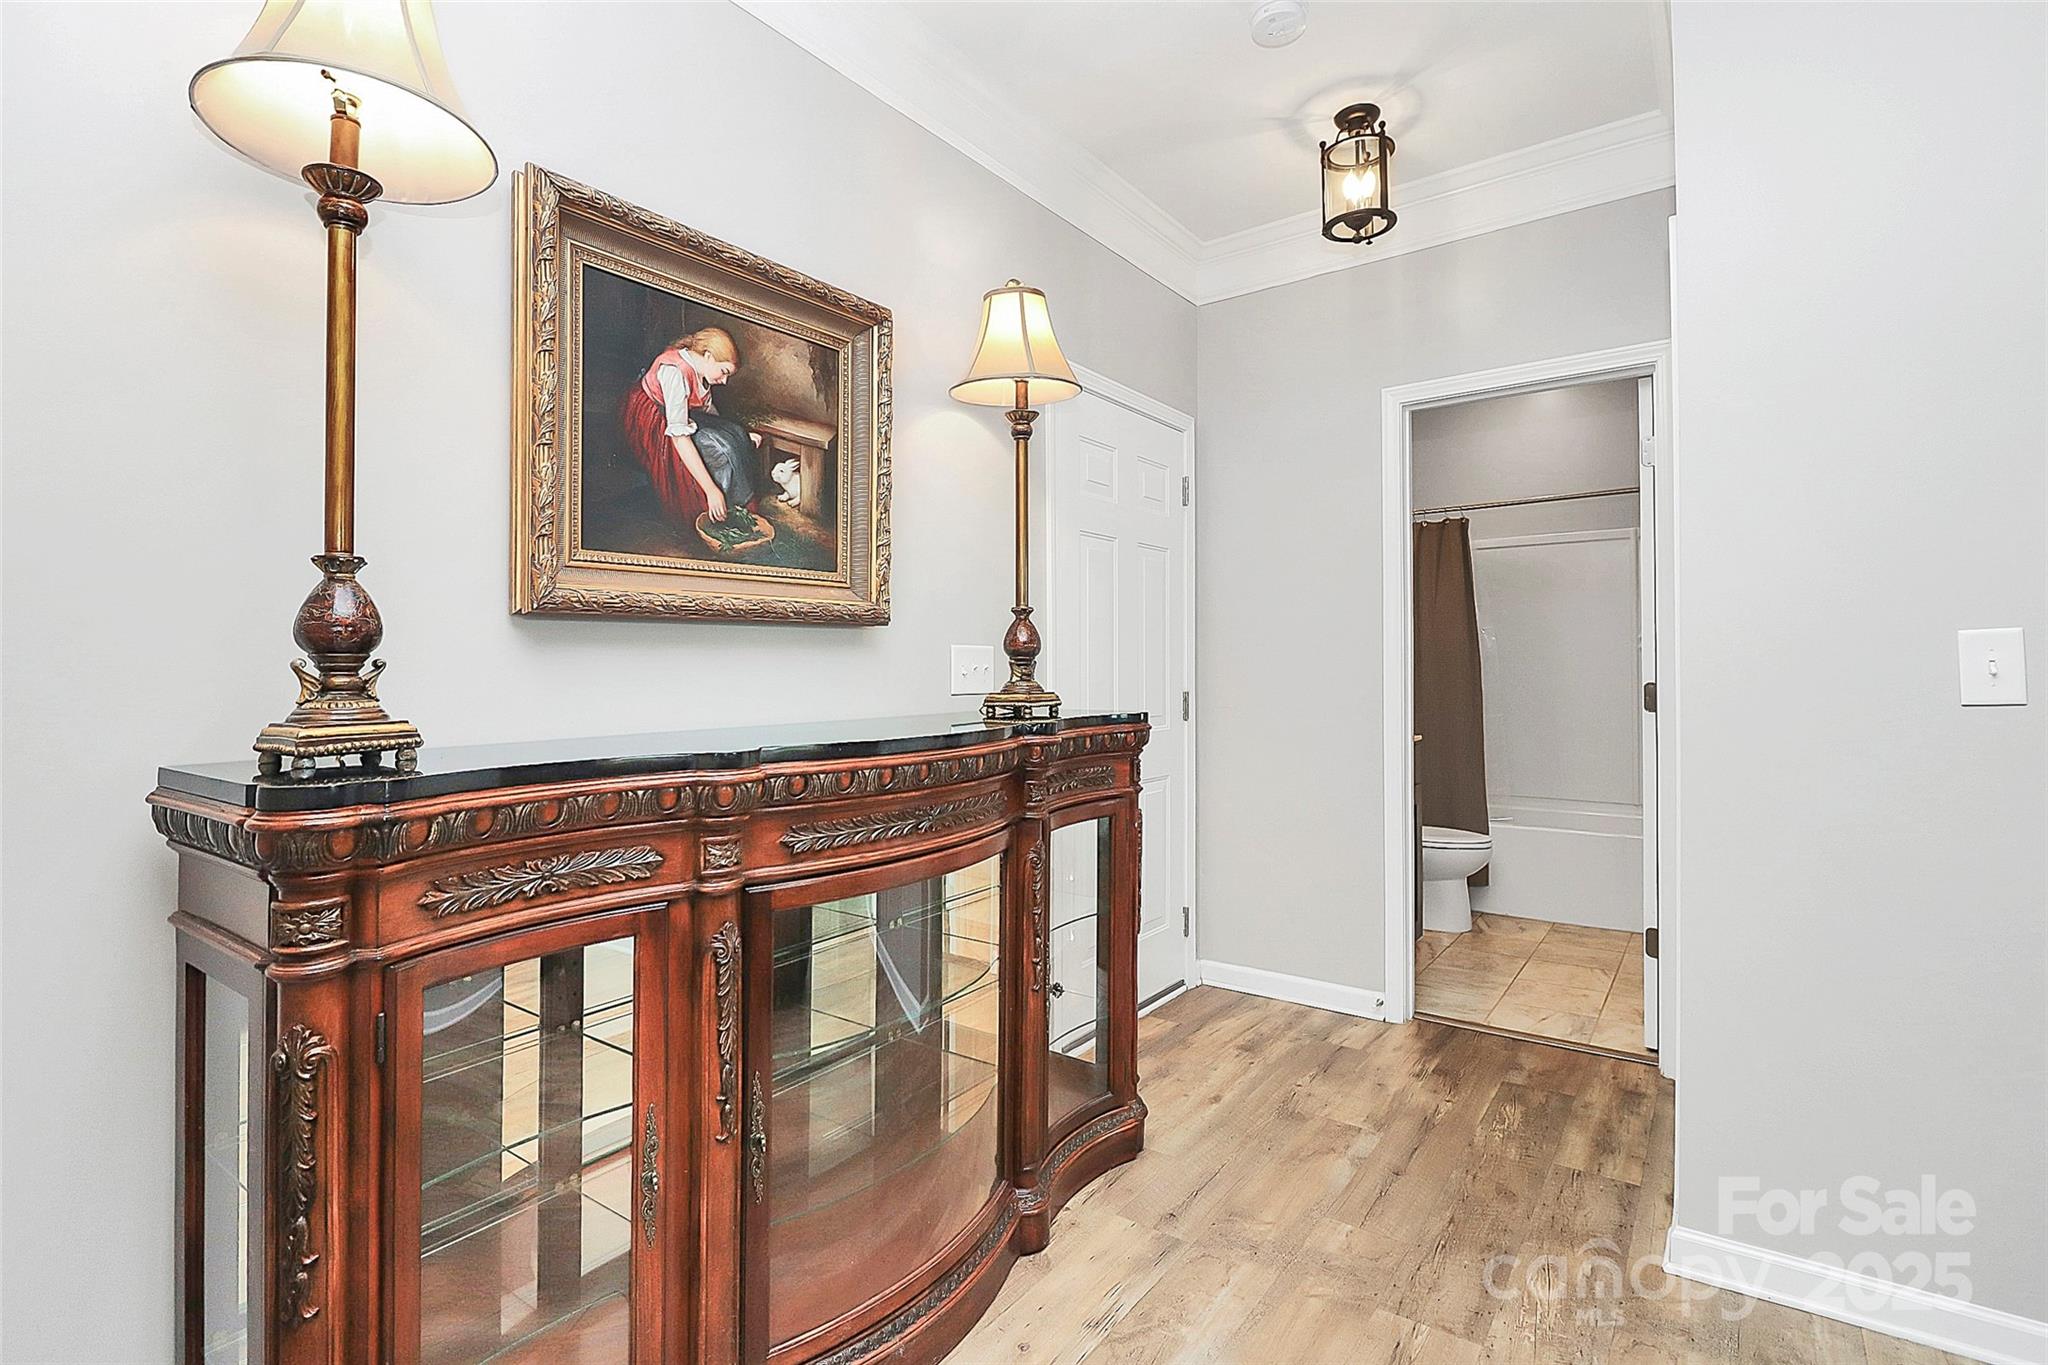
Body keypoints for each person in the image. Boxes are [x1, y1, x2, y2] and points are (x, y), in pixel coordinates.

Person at [620, 326, 761, 529]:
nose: (724, 381)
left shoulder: (701, 369)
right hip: (652, 419)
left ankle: (739, 505)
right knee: (714, 454)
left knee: (735, 435)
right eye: (724, 372)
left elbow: (707, 408)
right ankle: (714, 508)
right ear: (708, 356)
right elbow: (679, 437)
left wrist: (737, 434)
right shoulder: (674, 371)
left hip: (681, 416)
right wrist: (712, 490)